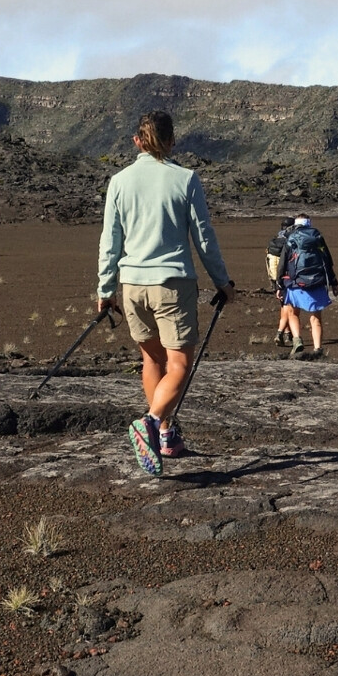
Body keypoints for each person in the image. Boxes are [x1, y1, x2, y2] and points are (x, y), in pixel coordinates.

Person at [96, 111, 236, 476]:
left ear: (137, 141)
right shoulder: (186, 180)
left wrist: (105, 289)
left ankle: (165, 434)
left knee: (152, 361)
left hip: (132, 286)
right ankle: (151, 422)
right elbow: (203, 238)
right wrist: (223, 281)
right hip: (172, 284)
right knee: (179, 365)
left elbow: (110, 242)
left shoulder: (119, 181)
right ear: (172, 141)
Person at [277, 214, 338, 359]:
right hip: (317, 282)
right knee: (316, 317)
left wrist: (279, 283)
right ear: (309, 223)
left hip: (295, 281)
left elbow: (283, 262)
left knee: (293, 313)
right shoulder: (317, 237)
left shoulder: (291, 238)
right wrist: (333, 281)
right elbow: (327, 260)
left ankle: (297, 340)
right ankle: (318, 348)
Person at [266, 218, 296, 347]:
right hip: (287, 276)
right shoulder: (291, 239)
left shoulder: (274, 241)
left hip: (275, 277)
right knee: (289, 305)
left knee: (284, 304)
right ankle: (282, 333)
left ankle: (287, 334)